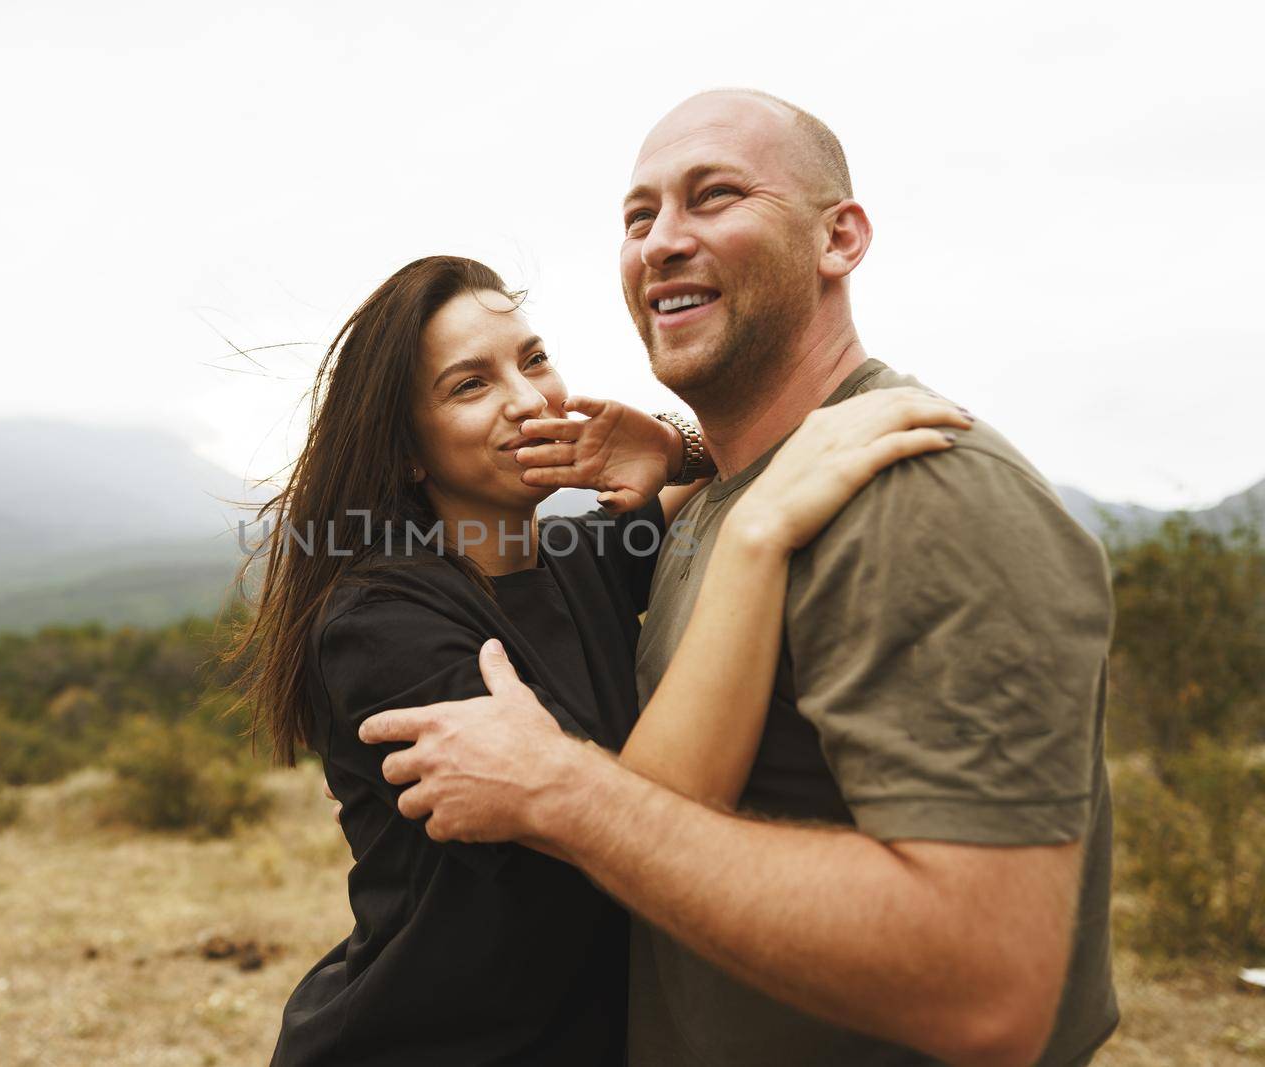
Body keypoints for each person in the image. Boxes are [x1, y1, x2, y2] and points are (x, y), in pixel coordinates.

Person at [359, 90, 1119, 1067]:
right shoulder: (724, 497)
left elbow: (985, 989)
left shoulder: (919, 489)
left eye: (712, 197)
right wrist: (683, 455)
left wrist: (566, 792)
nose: (661, 241)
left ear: (838, 238)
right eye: (639, 217)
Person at [231, 254, 970, 1066]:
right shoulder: (382, 623)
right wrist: (760, 539)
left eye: (534, 358)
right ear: (409, 453)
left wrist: (676, 444)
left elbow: (738, 462)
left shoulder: (579, 560)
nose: (528, 399)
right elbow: (635, 834)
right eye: (470, 385)